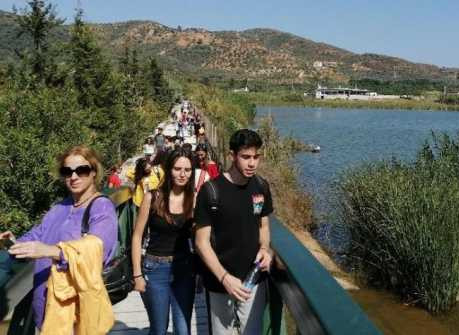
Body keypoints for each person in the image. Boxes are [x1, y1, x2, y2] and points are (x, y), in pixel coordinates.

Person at [1, 145, 118, 331]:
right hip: (47, 311)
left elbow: (98, 248)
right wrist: (14, 243)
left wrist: (49, 250)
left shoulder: (101, 208)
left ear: (94, 172)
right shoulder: (60, 207)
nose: (74, 176)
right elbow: (38, 235)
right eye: (67, 171)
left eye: (82, 170)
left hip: (75, 312)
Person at [195, 129, 273, 335]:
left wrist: (265, 248)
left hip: (253, 280)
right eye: (246, 157)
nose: (252, 163)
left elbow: (263, 225)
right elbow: (201, 242)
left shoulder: (261, 186)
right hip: (220, 282)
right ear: (232, 156)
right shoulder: (211, 191)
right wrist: (224, 278)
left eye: (256, 157)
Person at [131, 148, 196, 335]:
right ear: (168, 169)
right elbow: (137, 237)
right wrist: (137, 274)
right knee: (159, 329)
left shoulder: (194, 199)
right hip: (155, 268)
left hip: (184, 268)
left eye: (187, 170)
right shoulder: (152, 197)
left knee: (183, 330)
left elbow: (200, 238)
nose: (182, 174)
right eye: (177, 169)